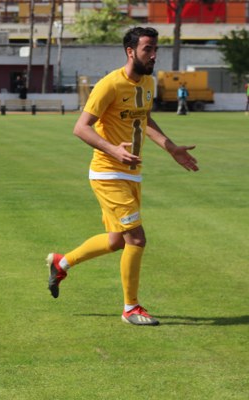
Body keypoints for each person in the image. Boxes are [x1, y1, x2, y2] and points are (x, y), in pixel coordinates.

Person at [46, 27, 199, 326]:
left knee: (117, 240)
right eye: (148, 49)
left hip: (132, 174)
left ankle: (60, 263)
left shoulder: (149, 82)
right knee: (137, 239)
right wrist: (112, 150)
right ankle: (131, 308)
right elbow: (81, 127)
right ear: (130, 51)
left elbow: (145, 117)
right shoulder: (109, 85)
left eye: (156, 49)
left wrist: (171, 148)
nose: (154, 55)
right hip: (108, 173)